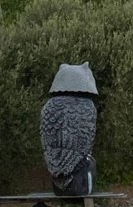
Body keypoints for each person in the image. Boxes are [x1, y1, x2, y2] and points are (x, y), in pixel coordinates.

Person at [40, 62, 98, 196]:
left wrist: (57, 169)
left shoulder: (49, 106)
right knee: (90, 163)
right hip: (78, 177)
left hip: (56, 176)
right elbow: (85, 148)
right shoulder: (88, 107)